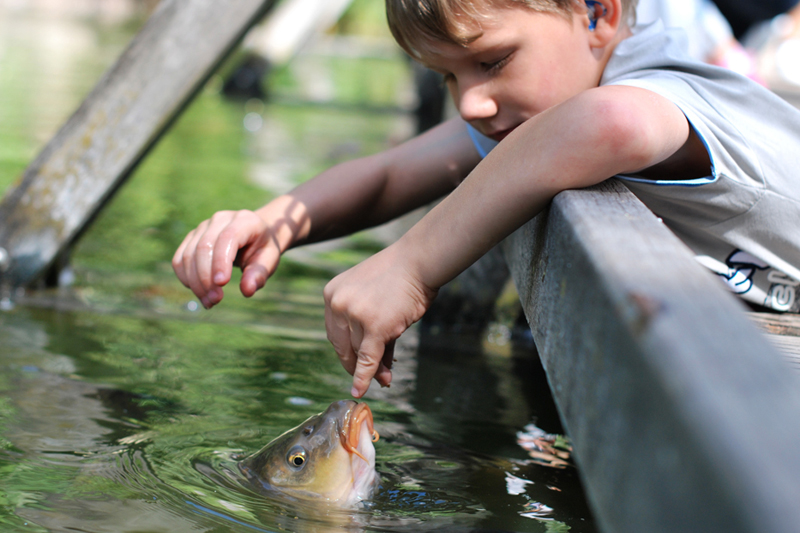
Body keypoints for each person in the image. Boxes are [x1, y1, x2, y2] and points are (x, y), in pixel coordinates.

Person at [173, 0, 800, 398]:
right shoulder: (538, 113)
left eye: (493, 60)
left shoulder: (662, 88)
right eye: (448, 76)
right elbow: (394, 174)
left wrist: (411, 264)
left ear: (597, 15)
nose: (470, 102)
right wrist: (274, 223)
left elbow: (612, 125)